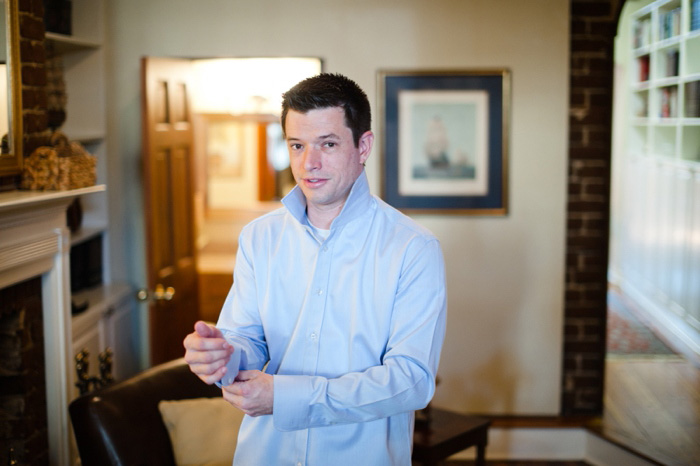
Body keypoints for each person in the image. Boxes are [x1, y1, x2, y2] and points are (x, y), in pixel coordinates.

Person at [183, 73, 447, 465]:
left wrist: (285, 396)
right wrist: (222, 355)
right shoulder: (259, 238)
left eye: (327, 143)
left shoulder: (413, 249)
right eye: (297, 145)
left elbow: (411, 381)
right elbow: (248, 343)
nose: (309, 163)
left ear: (363, 145)